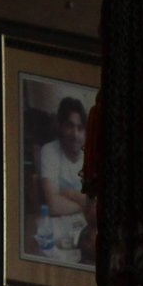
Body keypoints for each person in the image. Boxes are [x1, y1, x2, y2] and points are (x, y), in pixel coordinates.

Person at [38, 95, 93, 261]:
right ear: (61, 127)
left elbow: (98, 202)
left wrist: (66, 193)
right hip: (58, 233)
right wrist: (86, 204)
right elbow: (53, 205)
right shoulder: (49, 151)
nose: (75, 134)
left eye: (80, 128)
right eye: (70, 126)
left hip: (86, 232)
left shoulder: (91, 156)